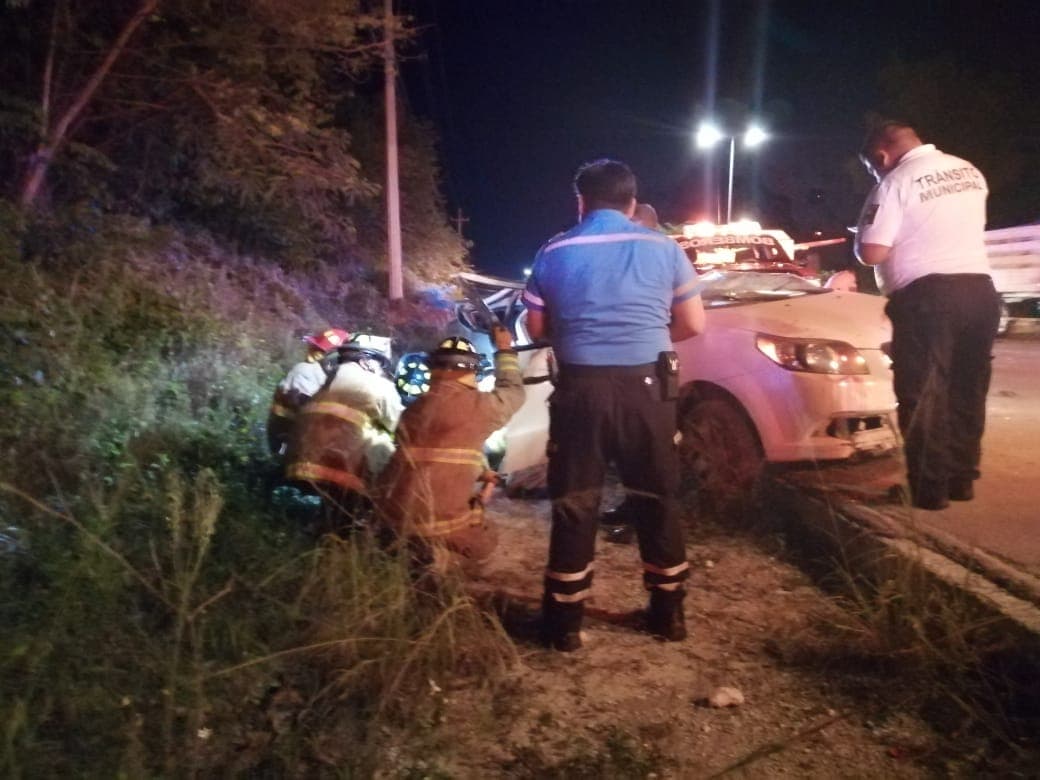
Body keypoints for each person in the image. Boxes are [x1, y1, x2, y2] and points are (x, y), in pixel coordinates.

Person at [523, 158, 706, 651]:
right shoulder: (664, 248)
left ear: (580, 203)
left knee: (575, 502)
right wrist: (643, 335)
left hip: (579, 390)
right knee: (656, 498)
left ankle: (563, 625)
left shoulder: (554, 250)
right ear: (631, 202)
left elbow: (536, 330)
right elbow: (693, 323)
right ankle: (668, 616)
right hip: (648, 389)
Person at [854, 121, 1000, 511]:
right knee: (967, 390)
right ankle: (961, 479)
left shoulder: (894, 181)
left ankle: (928, 490)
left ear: (881, 155)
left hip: (927, 298)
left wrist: (859, 233)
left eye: (873, 166)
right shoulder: (968, 170)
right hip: (981, 292)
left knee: (921, 394)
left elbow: (872, 251)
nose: (876, 171)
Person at [375, 325, 524, 565]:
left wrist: (481, 473)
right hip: (438, 526)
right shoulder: (480, 406)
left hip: (391, 520)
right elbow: (514, 392)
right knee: (486, 540)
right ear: (473, 370)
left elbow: (434, 459)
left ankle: (402, 549)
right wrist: (505, 349)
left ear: (433, 368)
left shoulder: (411, 410)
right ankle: (442, 557)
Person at [283, 333, 403, 530]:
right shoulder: (381, 386)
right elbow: (401, 426)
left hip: (298, 462)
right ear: (366, 360)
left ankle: (316, 523)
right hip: (343, 471)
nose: (381, 370)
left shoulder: (325, 381)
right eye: (380, 364)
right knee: (384, 440)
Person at [267, 328, 350, 455]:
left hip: (295, 443)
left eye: (318, 350)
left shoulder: (322, 374)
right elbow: (312, 414)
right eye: (315, 349)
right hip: (290, 445)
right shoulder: (305, 371)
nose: (310, 351)